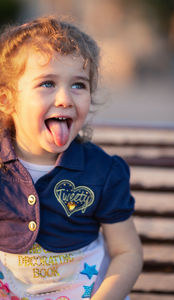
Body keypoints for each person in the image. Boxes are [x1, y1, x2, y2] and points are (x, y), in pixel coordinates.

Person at [0, 16, 143, 300]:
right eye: (47, 84)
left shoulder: (102, 171)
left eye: (79, 85)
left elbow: (127, 252)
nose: (65, 98)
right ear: (7, 100)